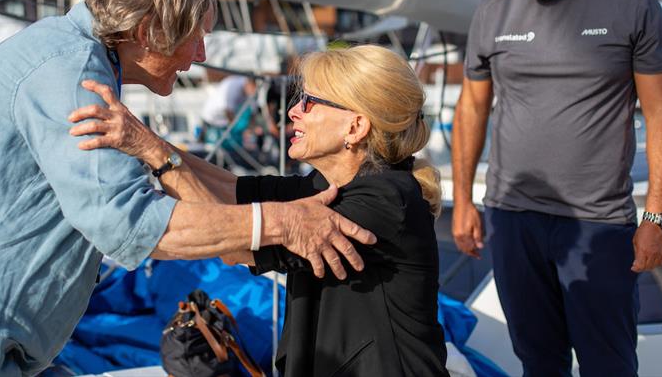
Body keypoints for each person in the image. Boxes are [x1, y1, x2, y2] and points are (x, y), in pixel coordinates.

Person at [0, 0, 375, 376]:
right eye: (195, 38)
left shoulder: (60, 50)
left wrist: (151, 146)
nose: (199, 56)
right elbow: (129, 224)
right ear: (148, 32)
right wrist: (284, 223)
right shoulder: (75, 75)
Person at [70, 45, 448, 376]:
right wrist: (144, 140)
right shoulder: (327, 187)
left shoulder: (383, 203)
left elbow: (234, 244)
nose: (293, 111)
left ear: (356, 126)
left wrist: (152, 153)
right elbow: (230, 189)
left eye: (310, 102)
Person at [451, 0, 662, 377]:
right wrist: (466, 200)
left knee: (608, 365)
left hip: (595, 224)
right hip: (512, 219)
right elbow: (472, 107)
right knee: (538, 363)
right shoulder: (492, 11)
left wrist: (657, 217)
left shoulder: (632, 5)